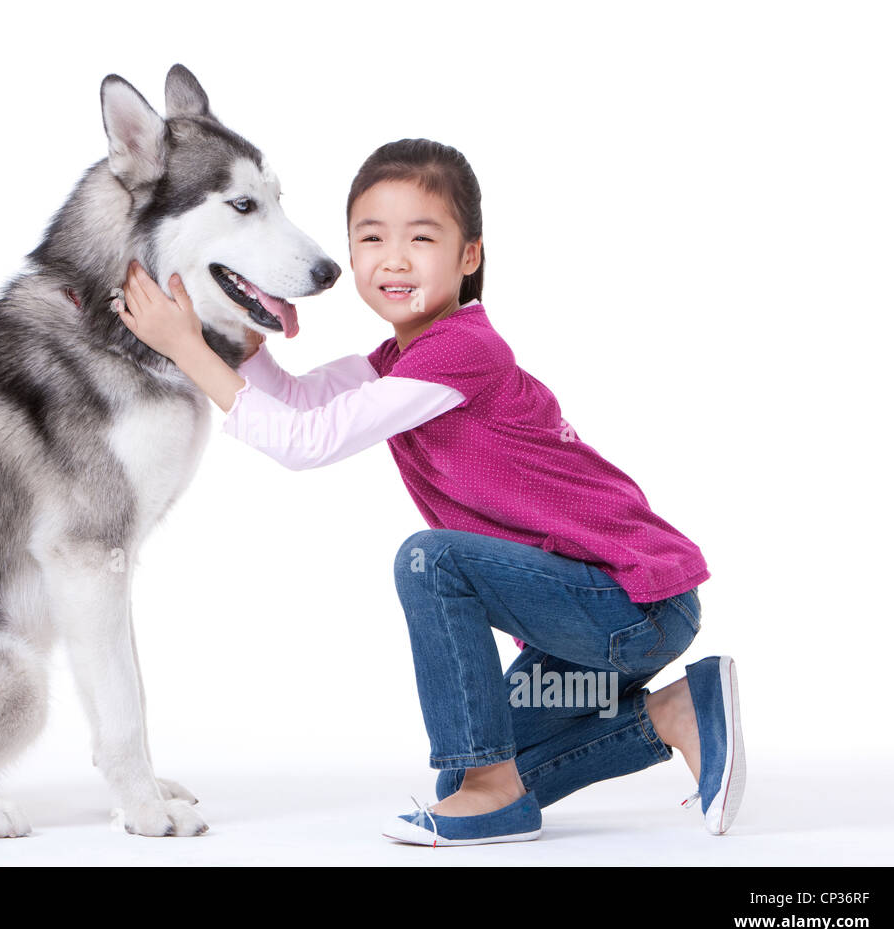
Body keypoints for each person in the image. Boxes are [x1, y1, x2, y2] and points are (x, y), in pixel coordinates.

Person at [112, 138, 744, 846]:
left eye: (422, 238)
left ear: (469, 256)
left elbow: (305, 443)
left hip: (633, 611)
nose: (395, 259)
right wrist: (230, 333)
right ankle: (674, 713)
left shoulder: (460, 352)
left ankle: (494, 793)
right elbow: (292, 403)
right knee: (470, 769)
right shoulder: (400, 361)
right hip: (582, 646)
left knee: (432, 562)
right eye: (371, 239)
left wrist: (186, 350)